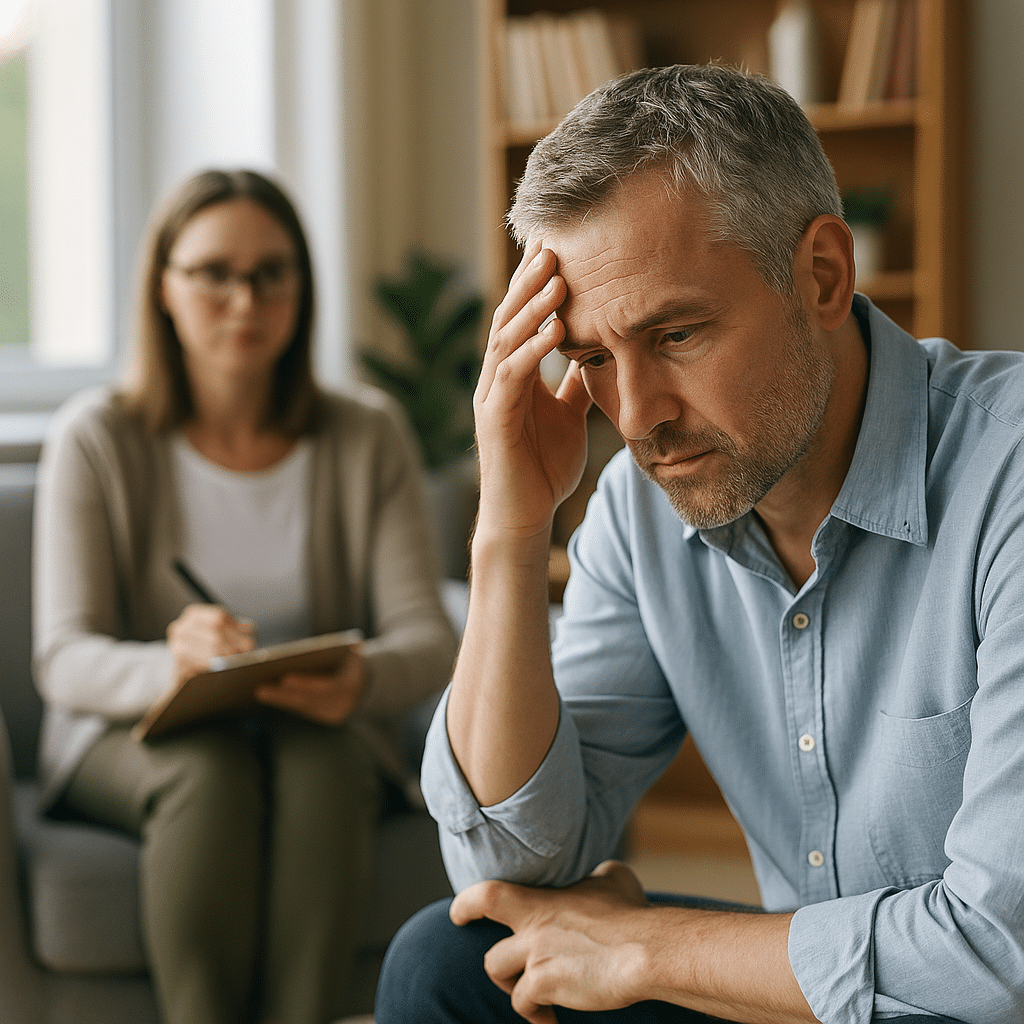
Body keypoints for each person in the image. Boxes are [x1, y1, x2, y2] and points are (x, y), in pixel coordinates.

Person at [374, 63, 1024, 1024]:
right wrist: (510, 532)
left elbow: (999, 954)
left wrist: (649, 949)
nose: (636, 420)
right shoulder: (645, 507)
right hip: (813, 994)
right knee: (457, 959)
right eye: (593, 357)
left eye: (675, 335)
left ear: (823, 276)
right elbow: (512, 866)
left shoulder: (1006, 473)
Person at [32, 168, 458, 1024]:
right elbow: (61, 657)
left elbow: (427, 631)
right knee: (208, 768)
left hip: (322, 727)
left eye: (272, 273)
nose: (245, 299)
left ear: (301, 287)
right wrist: (171, 664)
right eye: (213, 273)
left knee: (326, 761)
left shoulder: (366, 433)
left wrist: (361, 680)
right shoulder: (96, 437)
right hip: (136, 737)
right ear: (163, 287)